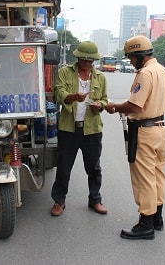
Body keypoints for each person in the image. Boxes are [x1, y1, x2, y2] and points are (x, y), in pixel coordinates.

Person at [105, 35, 165, 240]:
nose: (131, 62)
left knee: (144, 178)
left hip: (144, 131)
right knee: (158, 174)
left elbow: (135, 105)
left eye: (131, 58)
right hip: (160, 128)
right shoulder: (162, 70)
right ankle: (157, 218)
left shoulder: (145, 73)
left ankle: (146, 224)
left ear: (139, 54)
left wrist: (115, 107)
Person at [50, 41, 109, 217]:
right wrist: (73, 96)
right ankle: (59, 201)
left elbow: (105, 99)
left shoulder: (100, 77)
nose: (87, 64)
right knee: (64, 167)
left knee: (94, 168)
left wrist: (100, 105)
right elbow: (59, 95)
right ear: (78, 58)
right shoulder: (65, 73)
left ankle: (95, 200)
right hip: (69, 129)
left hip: (92, 130)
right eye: (84, 60)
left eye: (90, 61)